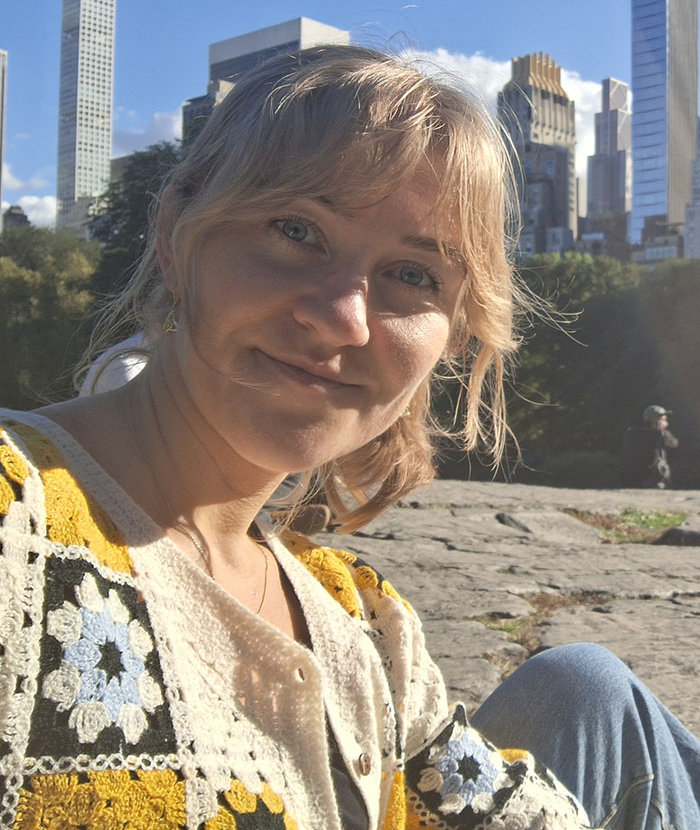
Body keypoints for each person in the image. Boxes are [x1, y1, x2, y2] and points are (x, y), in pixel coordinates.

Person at [1, 46, 699, 830]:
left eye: (413, 276)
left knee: (587, 683)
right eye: (296, 230)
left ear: (454, 336)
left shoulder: (361, 617)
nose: (343, 317)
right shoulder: (16, 526)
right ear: (175, 234)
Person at [620, 404, 679, 489]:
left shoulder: (632, 431)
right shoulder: (658, 433)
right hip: (653, 478)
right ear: (654, 418)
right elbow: (674, 444)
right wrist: (664, 431)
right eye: (663, 419)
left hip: (631, 477)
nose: (666, 422)